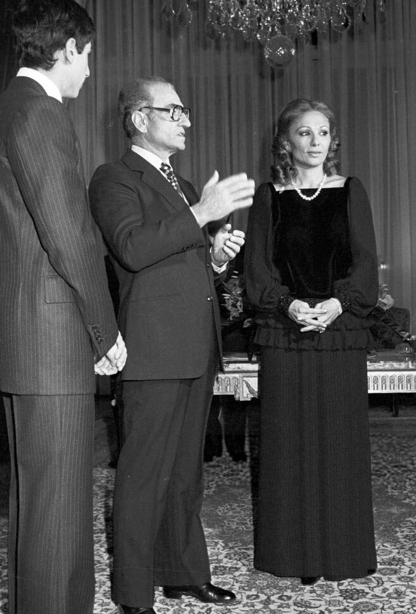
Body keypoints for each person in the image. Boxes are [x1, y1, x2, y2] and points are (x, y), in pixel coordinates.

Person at [89, 76, 255, 614]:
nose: (186, 120)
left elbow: (180, 261)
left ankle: (183, 574)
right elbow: (133, 249)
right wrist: (202, 214)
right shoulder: (114, 178)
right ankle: (134, 595)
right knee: (142, 478)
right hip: (153, 349)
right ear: (141, 119)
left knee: (185, 473)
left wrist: (216, 258)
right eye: (174, 111)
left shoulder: (181, 184)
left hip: (195, 346)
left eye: (186, 111)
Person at [0, 0, 127, 614]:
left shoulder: (11, 105)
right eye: (89, 55)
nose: (90, 69)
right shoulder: (40, 112)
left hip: (25, 340)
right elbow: (69, 236)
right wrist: (106, 331)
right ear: (69, 48)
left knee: (38, 510)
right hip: (50, 344)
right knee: (58, 518)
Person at [244, 98, 378, 585]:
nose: (315, 141)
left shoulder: (350, 191)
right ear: (286, 141)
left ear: (332, 141)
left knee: (340, 444)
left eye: (323, 132)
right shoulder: (269, 197)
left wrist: (339, 303)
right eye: (304, 132)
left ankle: (343, 553)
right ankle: (293, 557)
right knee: (289, 446)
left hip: (340, 332)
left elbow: (365, 261)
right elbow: (257, 268)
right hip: (285, 333)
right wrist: (289, 305)